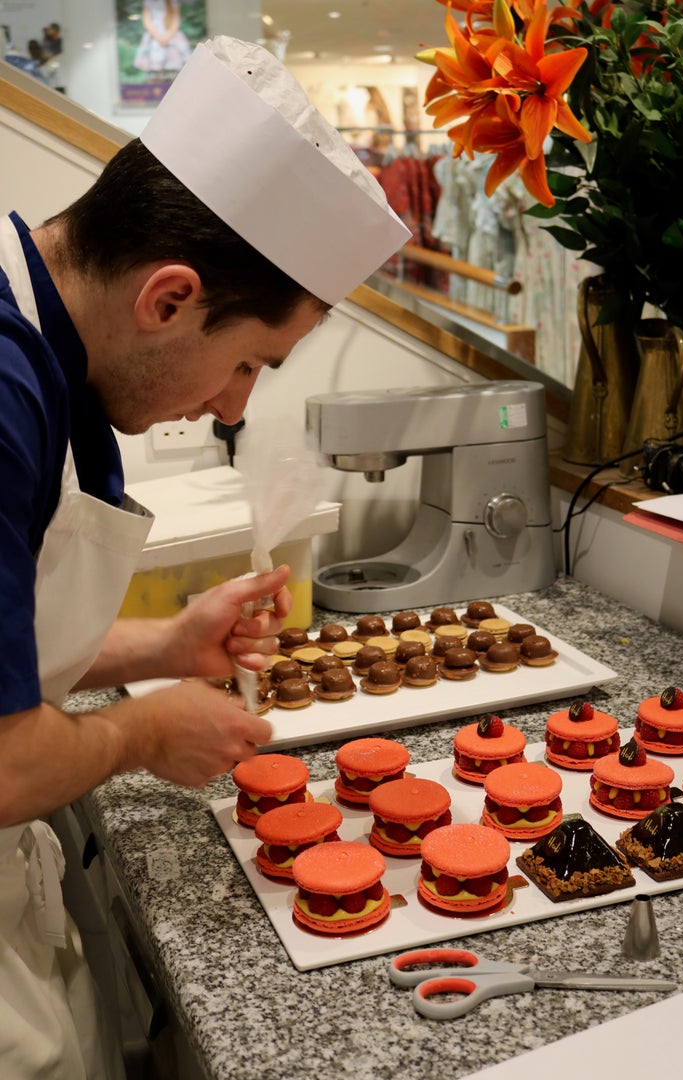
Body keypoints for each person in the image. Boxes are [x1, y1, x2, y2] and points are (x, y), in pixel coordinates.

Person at [0, 35, 410, 1079]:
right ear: (170, 297)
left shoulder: (44, 356)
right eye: (246, 364)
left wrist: (169, 644)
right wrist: (142, 732)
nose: (234, 406)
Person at [133, 0, 192, 79]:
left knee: (174, 72)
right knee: (155, 72)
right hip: (154, 36)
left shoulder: (173, 2)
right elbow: (146, 20)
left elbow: (176, 20)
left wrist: (168, 36)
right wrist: (158, 37)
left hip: (171, 35)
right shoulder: (149, 2)